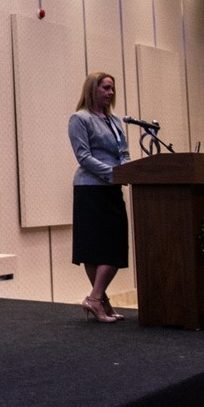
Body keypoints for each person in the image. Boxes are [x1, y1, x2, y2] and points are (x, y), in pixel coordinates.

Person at [68, 71, 130, 324]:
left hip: (111, 188)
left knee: (115, 244)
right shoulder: (80, 118)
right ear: (92, 89)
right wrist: (113, 174)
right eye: (105, 88)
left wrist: (127, 170)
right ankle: (98, 299)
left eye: (112, 88)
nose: (110, 93)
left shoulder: (114, 121)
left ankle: (97, 299)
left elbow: (123, 152)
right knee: (94, 248)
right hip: (90, 189)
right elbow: (83, 156)